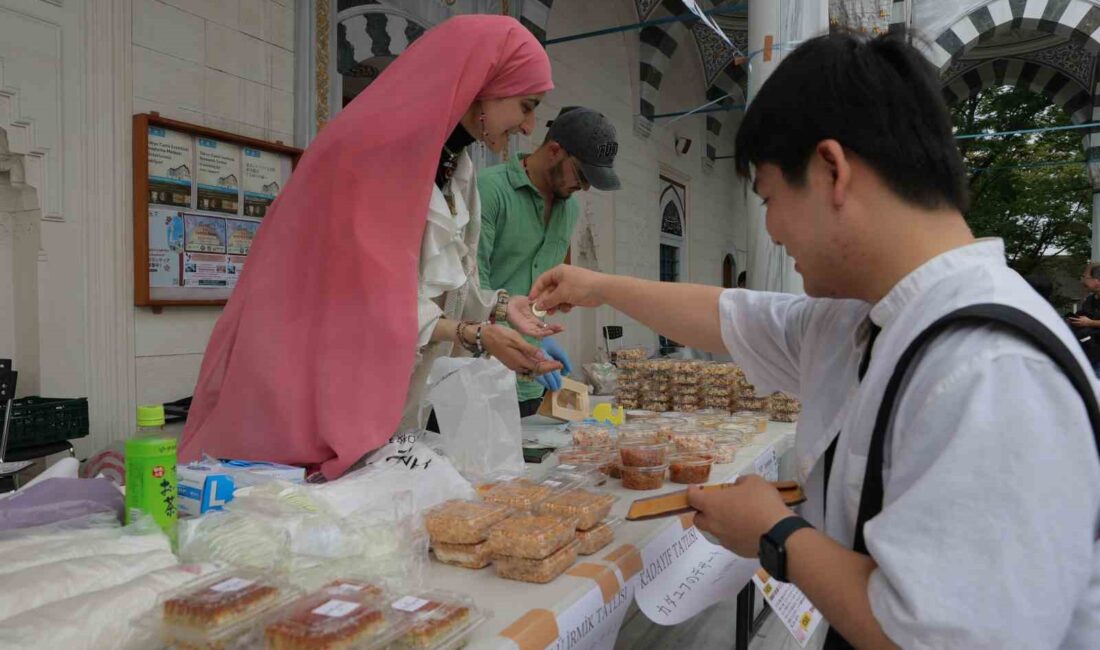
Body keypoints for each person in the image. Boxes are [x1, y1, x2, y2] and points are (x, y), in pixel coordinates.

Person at [529, 31, 1100, 648]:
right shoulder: (870, 319)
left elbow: (944, 637)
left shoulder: (991, 371)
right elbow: (730, 315)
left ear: (832, 170)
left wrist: (777, 536)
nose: (770, 231)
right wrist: (600, 286)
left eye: (771, 199)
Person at [180, 15, 564, 480]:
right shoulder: (368, 152)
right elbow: (363, 296)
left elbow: (439, 283)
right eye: (526, 105)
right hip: (313, 401)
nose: (528, 126)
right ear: (484, 84)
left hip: (390, 408)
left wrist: (502, 308)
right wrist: (473, 335)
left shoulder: (454, 168)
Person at [477, 106, 621, 415]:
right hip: (478, 379)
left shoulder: (568, 209)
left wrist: (557, 300)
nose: (583, 188)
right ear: (555, 150)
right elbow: (471, 288)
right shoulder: (490, 190)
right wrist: (518, 341)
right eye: (582, 176)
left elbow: (537, 290)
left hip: (532, 377)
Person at [1068, 263, 1100, 375]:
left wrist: (1090, 323)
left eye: (1085, 278)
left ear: (1097, 280)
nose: (1083, 282)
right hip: (1090, 352)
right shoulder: (1090, 299)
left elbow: (1088, 321)